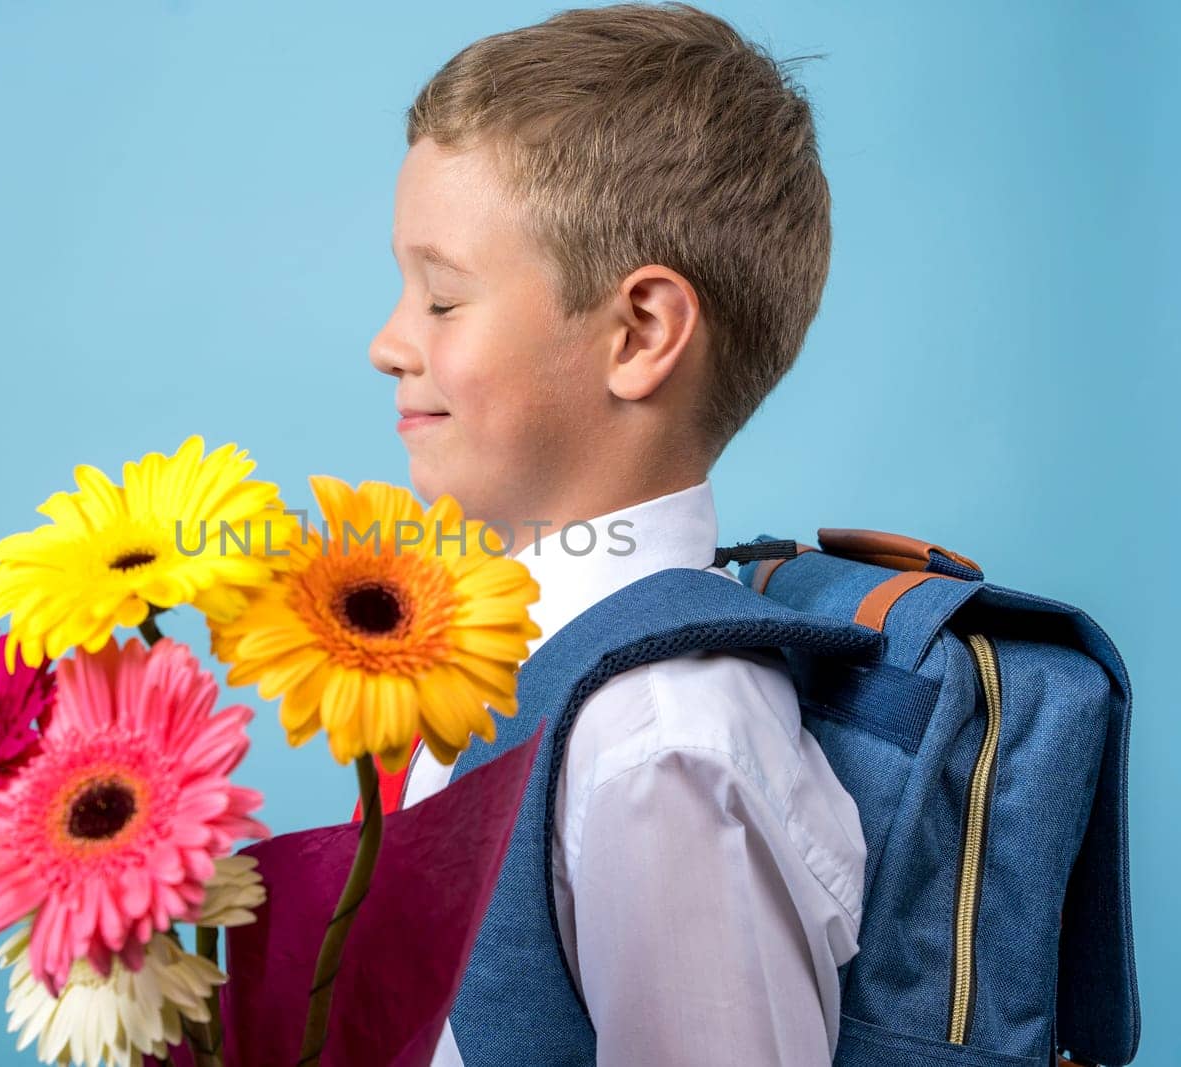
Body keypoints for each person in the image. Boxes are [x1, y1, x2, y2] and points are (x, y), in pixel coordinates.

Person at [368, 4, 864, 1063]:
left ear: (638, 333)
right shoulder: (498, 670)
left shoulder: (659, 738)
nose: (387, 342)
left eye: (443, 300)